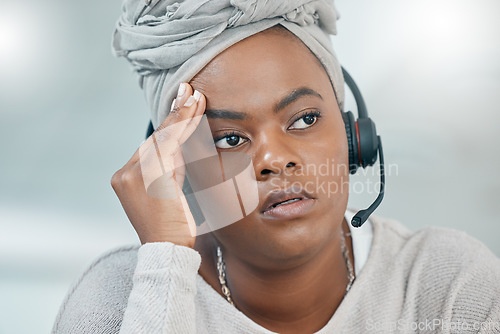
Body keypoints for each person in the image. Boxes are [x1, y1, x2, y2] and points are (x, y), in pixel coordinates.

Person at [52, 1, 500, 333]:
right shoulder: (114, 300)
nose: (274, 159)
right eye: (231, 139)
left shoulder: (446, 284)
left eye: (304, 119)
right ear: (178, 169)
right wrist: (166, 266)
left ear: (352, 137)